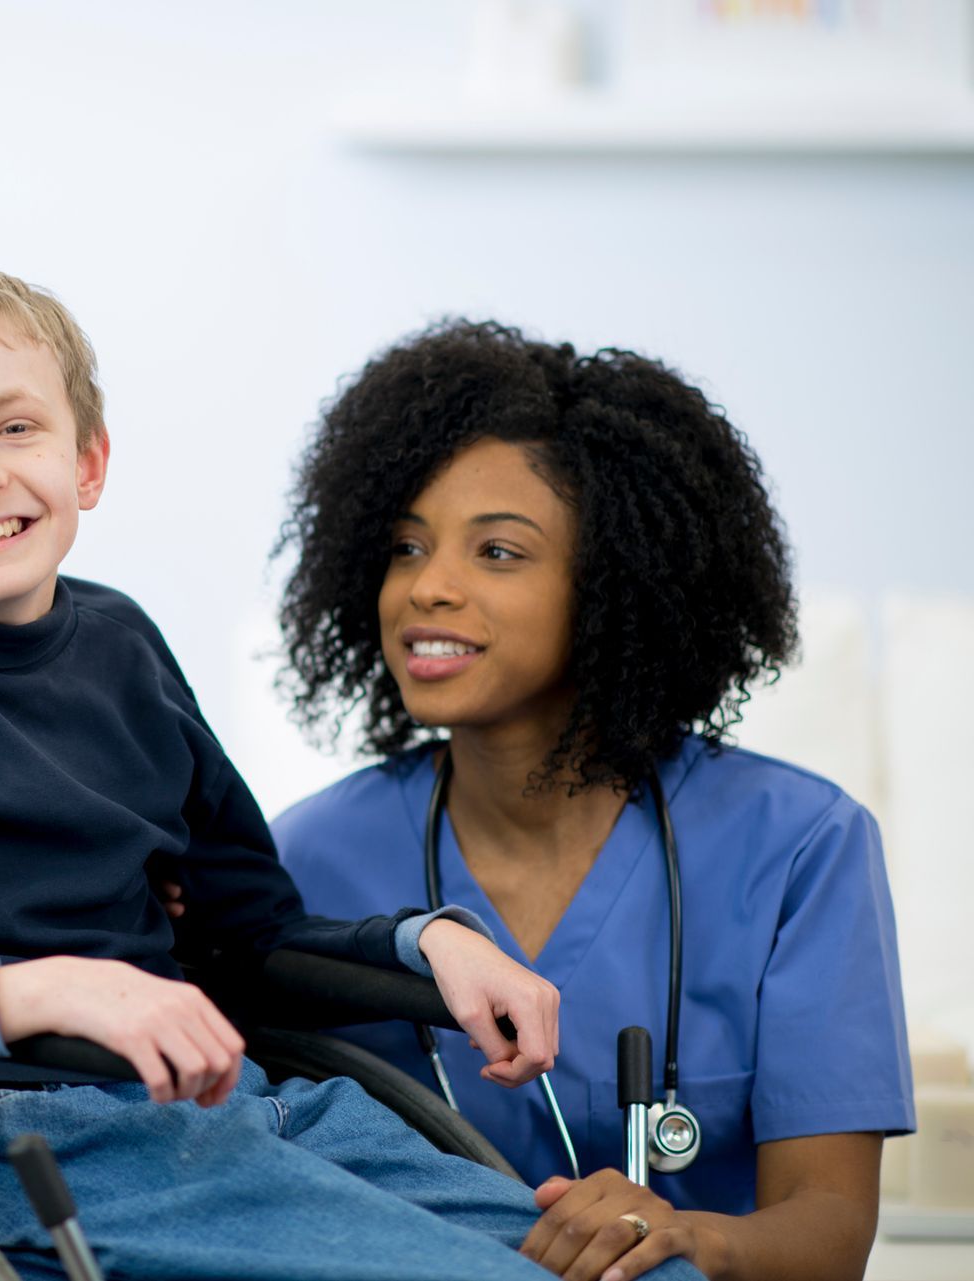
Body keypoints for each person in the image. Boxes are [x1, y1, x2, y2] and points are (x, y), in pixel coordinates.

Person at [0, 263, 701, 1280]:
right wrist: (48, 993)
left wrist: (424, 943)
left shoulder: (122, 646)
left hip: (220, 1107)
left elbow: (243, 940)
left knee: (651, 1271)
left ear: (89, 462)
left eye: (16, 427)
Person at [262, 320, 912, 1281]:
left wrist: (695, 1233)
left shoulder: (800, 849)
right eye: (405, 545)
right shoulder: (308, 860)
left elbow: (830, 1231)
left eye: (497, 552)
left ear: (616, 584)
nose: (426, 587)